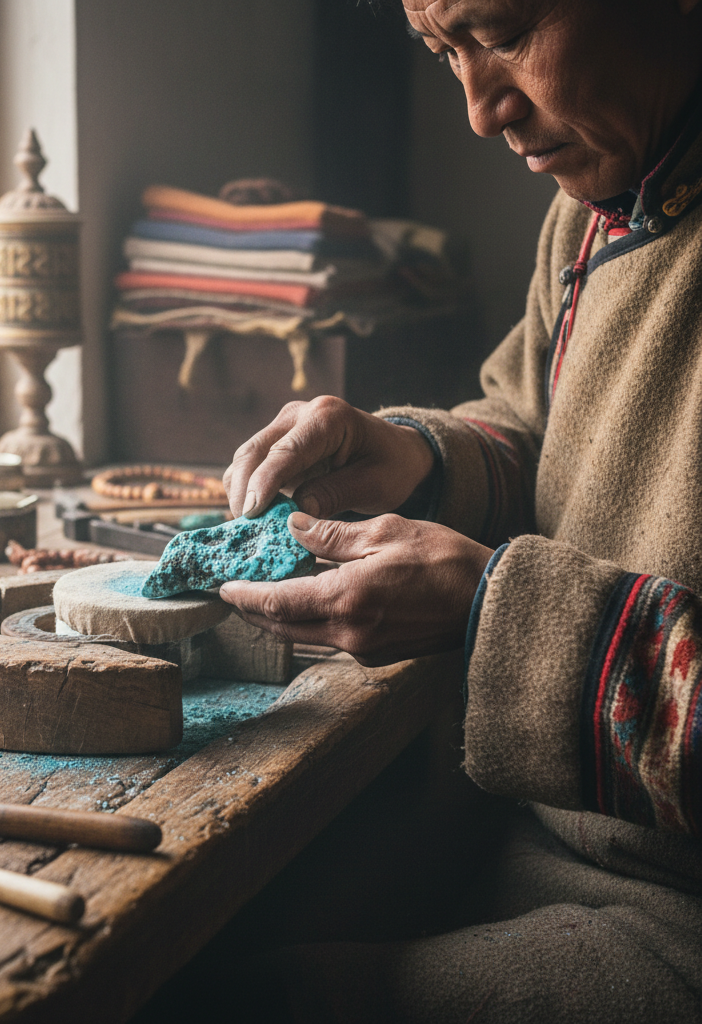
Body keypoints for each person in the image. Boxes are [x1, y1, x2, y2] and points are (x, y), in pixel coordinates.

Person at [135, 1, 702, 1021]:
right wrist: (408, 456)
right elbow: (539, 426)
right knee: (166, 954)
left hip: (674, 911)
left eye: (504, 28)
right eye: (442, 50)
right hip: (532, 831)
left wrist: (497, 616)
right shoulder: (596, 205)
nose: (481, 111)